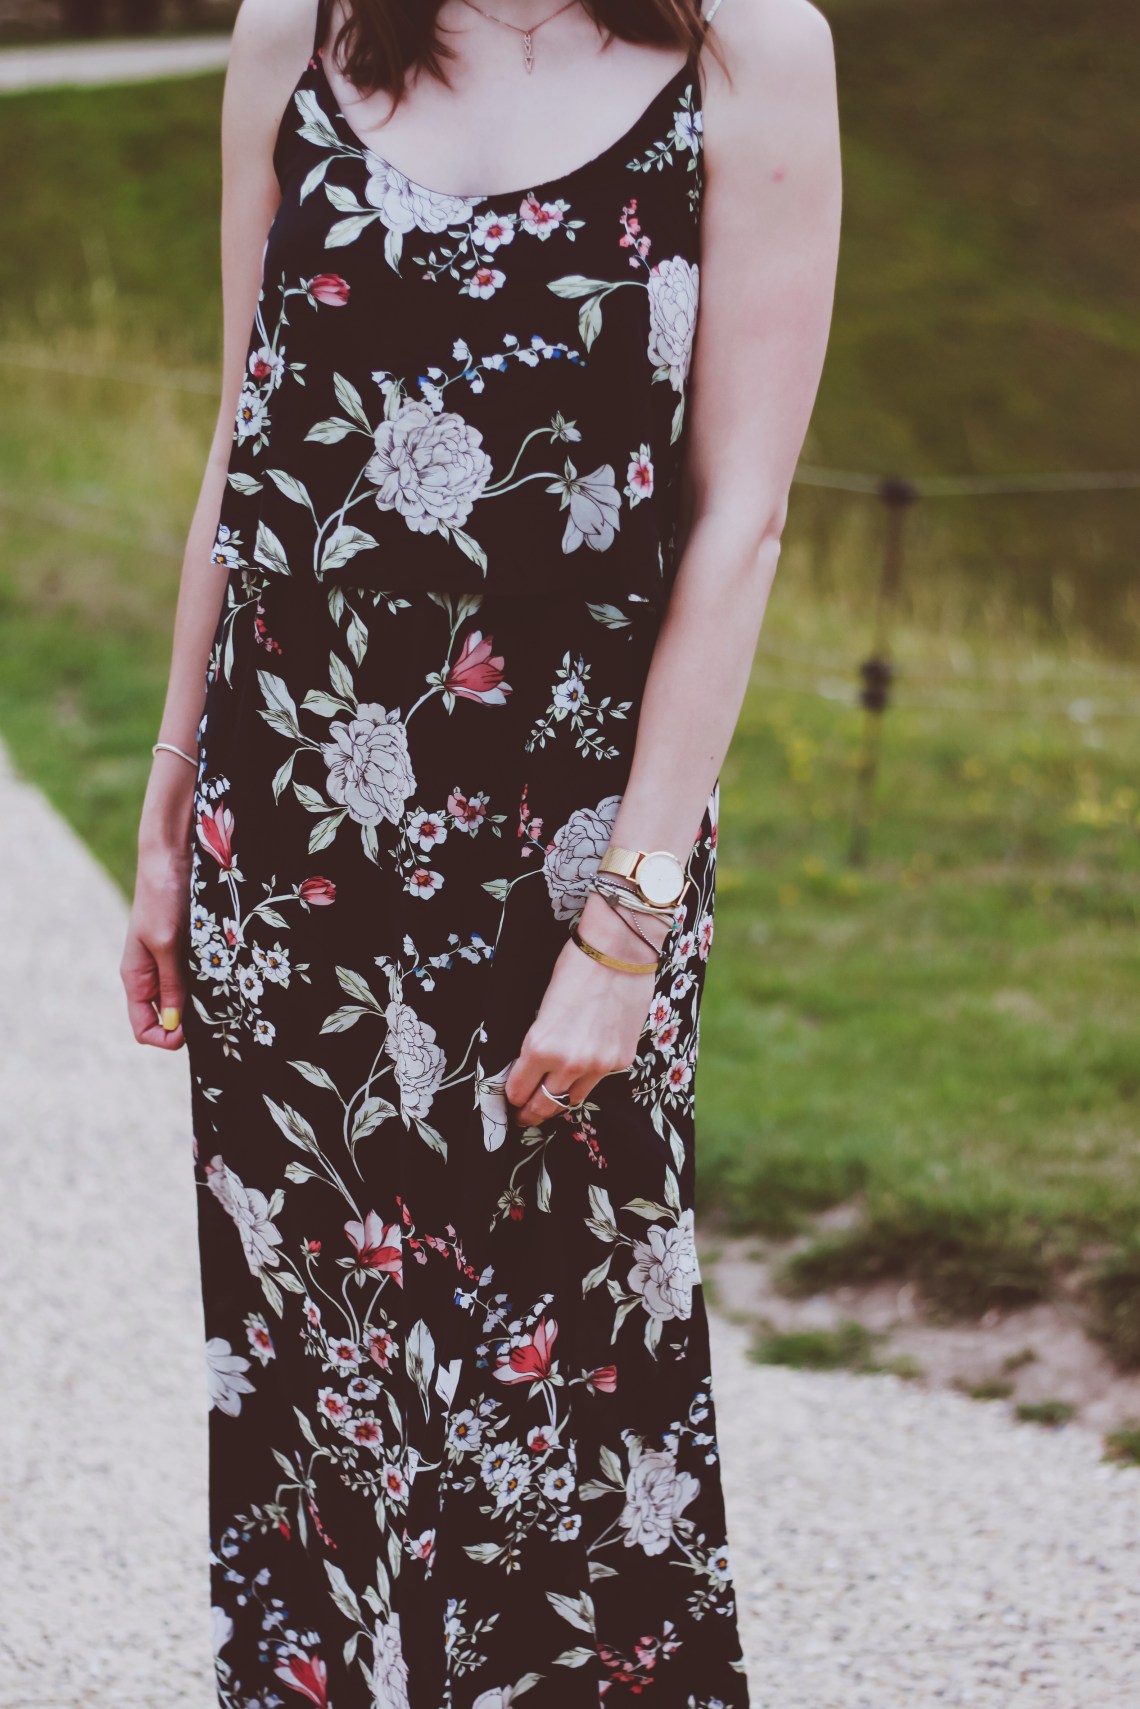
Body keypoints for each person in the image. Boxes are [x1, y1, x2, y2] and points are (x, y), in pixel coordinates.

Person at [121, 0, 840, 1701]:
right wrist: (167, 799)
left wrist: (630, 922)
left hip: (566, 862)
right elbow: (245, 439)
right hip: (287, 839)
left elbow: (740, 519)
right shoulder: (296, 31)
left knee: (564, 1378)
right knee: (316, 1389)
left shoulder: (750, 53)